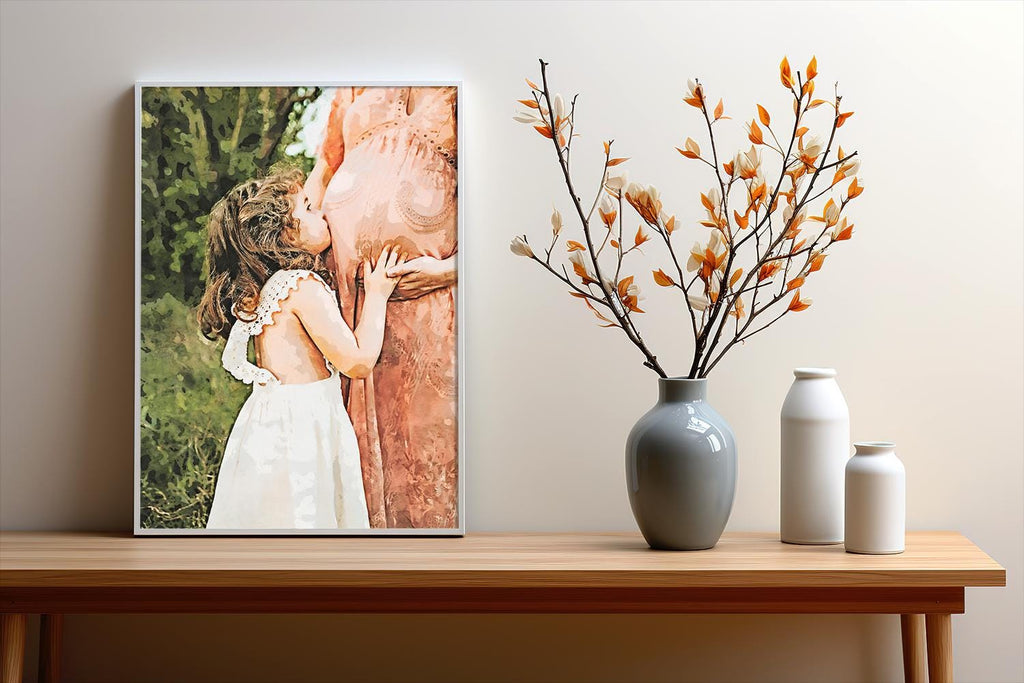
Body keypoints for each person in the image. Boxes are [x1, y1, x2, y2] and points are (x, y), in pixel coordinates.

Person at [197, 167, 405, 530]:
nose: (322, 213)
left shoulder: (263, 289)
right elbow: (356, 362)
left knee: (272, 515)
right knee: (307, 514)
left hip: (269, 420)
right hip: (304, 424)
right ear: (284, 233)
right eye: (308, 207)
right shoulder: (300, 285)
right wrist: (376, 294)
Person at [305, 86, 458, 529]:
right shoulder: (356, 77)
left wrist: (451, 271)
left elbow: (501, 207)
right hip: (344, 300)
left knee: (419, 446)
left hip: (427, 305)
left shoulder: (460, 83)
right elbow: (324, 167)